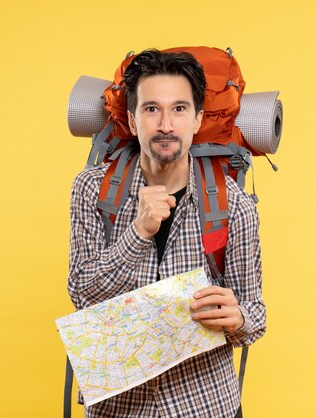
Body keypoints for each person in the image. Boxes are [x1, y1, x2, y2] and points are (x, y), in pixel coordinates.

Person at [67, 49, 266, 418]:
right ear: (132, 117)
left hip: (205, 406)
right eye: (151, 109)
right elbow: (81, 294)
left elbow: (255, 314)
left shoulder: (232, 203)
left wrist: (238, 320)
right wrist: (138, 232)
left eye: (179, 109)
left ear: (197, 119)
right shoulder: (92, 190)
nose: (165, 125)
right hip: (119, 408)